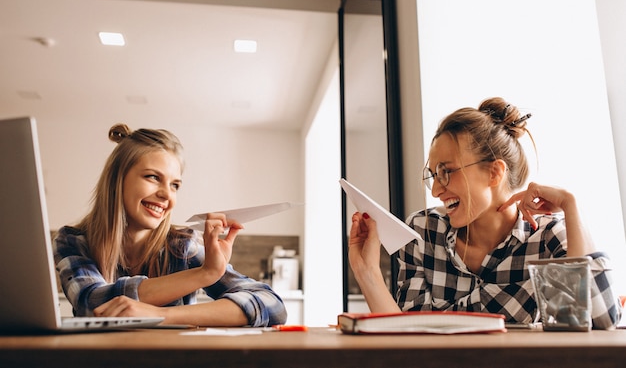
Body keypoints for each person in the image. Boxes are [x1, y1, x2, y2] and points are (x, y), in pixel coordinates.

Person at [348, 97, 622, 329]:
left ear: (494, 172)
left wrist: (570, 205)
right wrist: (366, 270)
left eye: (446, 172)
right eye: (434, 175)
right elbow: (405, 334)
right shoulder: (423, 231)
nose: (436, 191)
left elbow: (600, 320)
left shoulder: (547, 237)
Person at [53, 124, 287, 327]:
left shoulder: (181, 246)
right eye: (153, 177)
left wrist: (162, 315)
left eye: (175, 185)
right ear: (117, 180)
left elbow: (272, 306)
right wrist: (204, 274)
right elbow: (92, 302)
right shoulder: (73, 241)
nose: (167, 194)